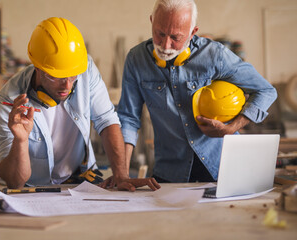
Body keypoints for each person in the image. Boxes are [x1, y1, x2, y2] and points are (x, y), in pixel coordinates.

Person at [117, 0, 277, 183]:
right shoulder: (136, 60)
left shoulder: (214, 55)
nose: (165, 45)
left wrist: (231, 128)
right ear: (152, 21)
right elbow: (128, 119)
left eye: (175, 38)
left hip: (222, 169)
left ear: (193, 32)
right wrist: (122, 174)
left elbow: (265, 91)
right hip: (170, 173)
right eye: (159, 34)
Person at [0, 17, 160, 191]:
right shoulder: (10, 101)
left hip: (81, 180)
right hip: (34, 188)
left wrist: (121, 175)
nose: (67, 85)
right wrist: (20, 141)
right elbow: (15, 183)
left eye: (73, 76)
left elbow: (107, 120)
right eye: (57, 77)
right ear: (38, 67)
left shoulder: (85, 68)